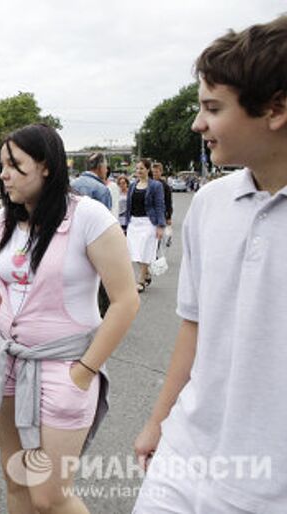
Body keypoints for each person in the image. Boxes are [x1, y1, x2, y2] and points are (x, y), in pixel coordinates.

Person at [133, 16, 287, 513]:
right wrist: (159, 421)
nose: (197, 124)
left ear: (276, 109)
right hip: (183, 456)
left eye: (212, 108)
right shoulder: (211, 203)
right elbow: (195, 328)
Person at [0, 124, 139, 514]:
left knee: (50, 496)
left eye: (15, 165)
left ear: (46, 167)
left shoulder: (89, 217)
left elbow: (125, 301)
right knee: (16, 479)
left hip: (64, 368)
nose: (4, 174)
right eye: (2, 165)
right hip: (7, 363)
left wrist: (84, 371)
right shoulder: (2, 221)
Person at [72, 152, 114, 316]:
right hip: (96, 241)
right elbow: (106, 221)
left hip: (72, 237)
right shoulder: (101, 189)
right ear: (100, 167)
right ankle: (102, 314)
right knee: (101, 278)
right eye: (105, 166)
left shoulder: (73, 184)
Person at [124, 158, 165, 292]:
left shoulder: (155, 186)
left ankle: (140, 280)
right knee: (134, 252)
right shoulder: (132, 185)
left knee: (144, 250)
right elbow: (128, 206)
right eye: (137, 169)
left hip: (148, 222)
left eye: (141, 168)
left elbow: (160, 206)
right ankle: (146, 272)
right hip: (134, 222)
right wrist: (126, 223)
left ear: (148, 169)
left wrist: (160, 225)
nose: (139, 171)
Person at [150, 161, 173, 245]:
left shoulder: (165, 186)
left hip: (160, 214)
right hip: (149, 213)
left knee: (157, 238)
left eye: (156, 172)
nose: (155, 174)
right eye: (153, 172)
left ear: (161, 172)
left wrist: (169, 217)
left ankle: (155, 255)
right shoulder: (148, 183)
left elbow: (168, 202)